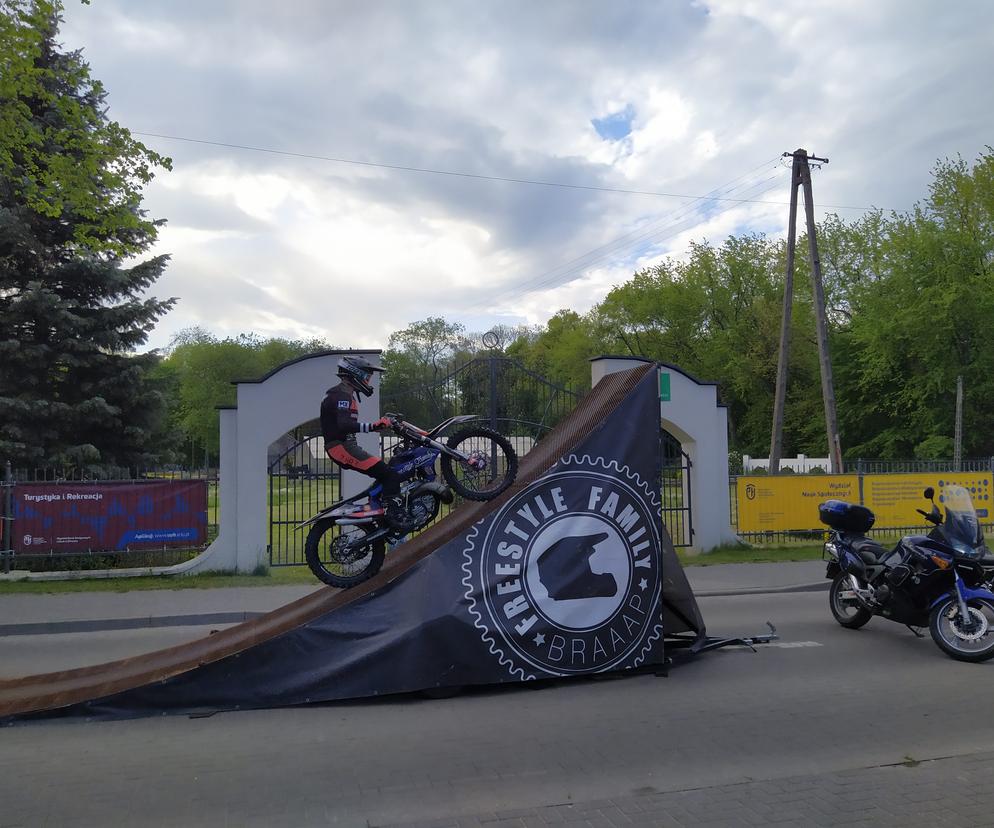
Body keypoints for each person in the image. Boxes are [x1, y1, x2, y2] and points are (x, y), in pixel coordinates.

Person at [321, 356, 410, 529]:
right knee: (390, 475)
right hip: (342, 447)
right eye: (366, 376)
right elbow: (344, 425)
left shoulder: (340, 393)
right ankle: (395, 516)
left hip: (343, 446)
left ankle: (377, 506)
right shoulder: (342, 396)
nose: (368, 380)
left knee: (383, 473)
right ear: (355, 374)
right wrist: (374, 426)